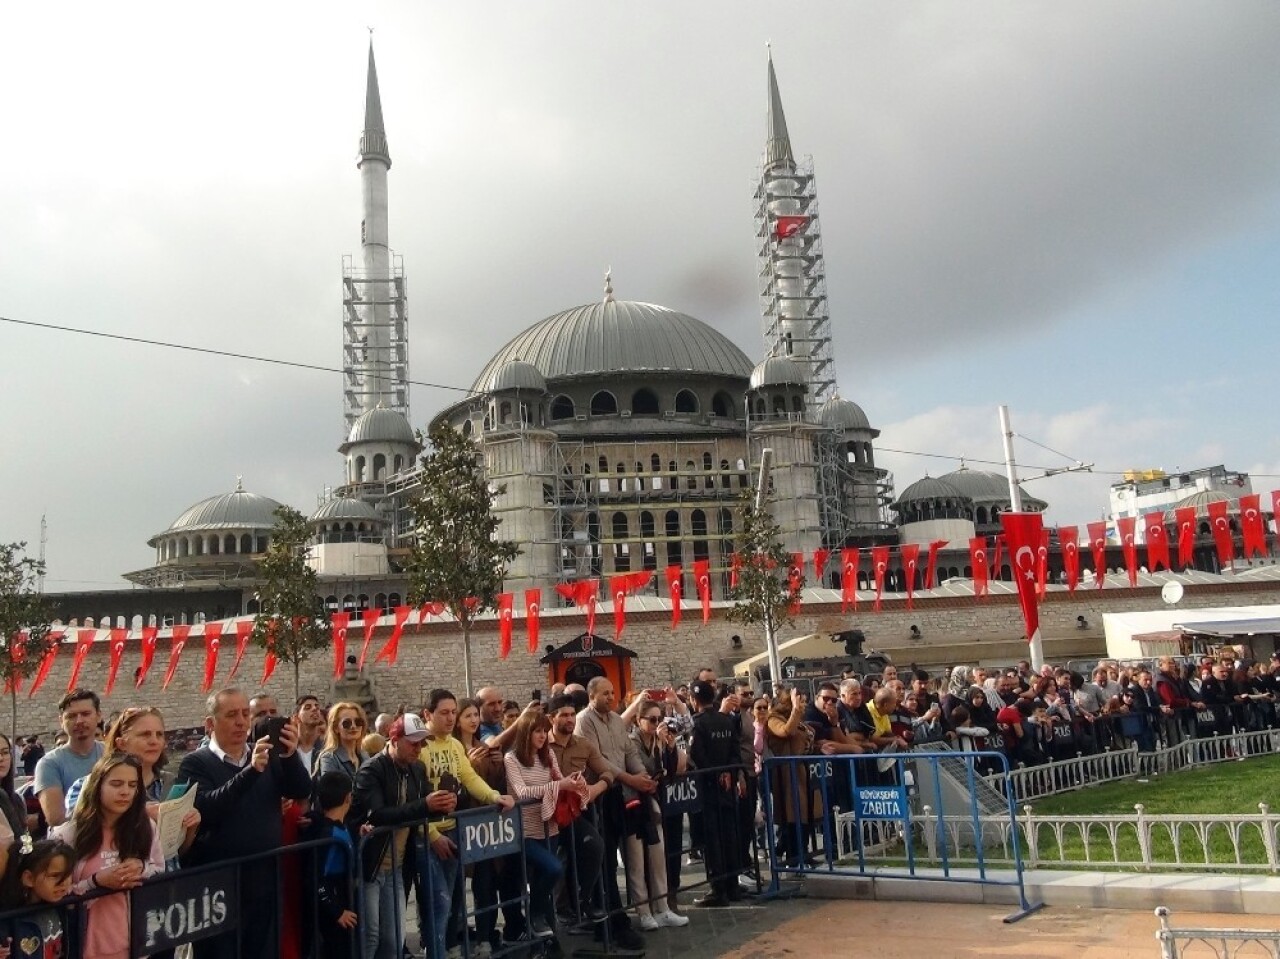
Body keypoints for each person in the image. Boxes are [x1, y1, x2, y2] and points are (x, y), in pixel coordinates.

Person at [178, 687, 312, 959]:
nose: (241, 722)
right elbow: (206, 808)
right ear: (210, 723)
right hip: (217, 887)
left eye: (244, 714)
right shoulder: (195, 763)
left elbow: (300, 788)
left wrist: (289, 755)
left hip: (264, 878)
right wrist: (250, 772)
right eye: (231, 715)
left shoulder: (265, 755)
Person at [419, 691, 515, 959]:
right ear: (428, 714)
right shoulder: (420, 747)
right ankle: (438, 950)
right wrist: (432, 834)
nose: (450, 718)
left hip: (453, 828)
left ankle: (449, 948)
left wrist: (495, 796)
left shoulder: (453, 746)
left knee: (451, 898)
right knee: (438, 901)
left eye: (453, 712)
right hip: (427, 834)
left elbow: (469, 777)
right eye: (444, 713)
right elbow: (413, 796)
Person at [351, 714, 447, 959]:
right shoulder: (371, 769)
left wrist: (447, 804)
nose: (419, 748)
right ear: (394, 740)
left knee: (394, 938)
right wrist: (426, 805)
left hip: (398, 865)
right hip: (370, 865)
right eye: (413, 743)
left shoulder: (417, 767)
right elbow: (378, 814)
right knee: (370, 937)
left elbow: (425, 807)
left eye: (422, 743)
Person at [51, 755, 164, 959]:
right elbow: (56, 893)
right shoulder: (67, 834)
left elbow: (159, 869)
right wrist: (96, 883)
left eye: (132, 785)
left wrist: (141, 867)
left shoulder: (146, 827)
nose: (125, 792)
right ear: (97, 785)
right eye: (116, 784)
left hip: (136, 943)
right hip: (83, 945)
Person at [574, 678, 652, 951]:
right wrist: (631, 779)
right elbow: (598, 759)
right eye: (605, 693)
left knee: (619, 853)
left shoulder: (617, 721)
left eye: (613, 692)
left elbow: (628, 751)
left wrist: (641, 773)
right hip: (600, 796)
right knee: (603, 859)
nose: (611, 696)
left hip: (622, 794)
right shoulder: (584, 721)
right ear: (591, 695)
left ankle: (613, 917)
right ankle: (608, 921)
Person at [65, 707, 200, 861]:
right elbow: (77, 839)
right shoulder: (87, 785)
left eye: (159, 734)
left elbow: (175, 853)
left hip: (165, 879)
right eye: (145, 734)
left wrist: (190, 827)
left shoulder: (172, 784)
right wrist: (140, 815)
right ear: (121, 743)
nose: (154, 741)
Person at [503, 712, 589, 944]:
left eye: (544, 731)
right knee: (553, 869)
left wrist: (572, 781)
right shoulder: (512, 758)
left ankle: (548, 938)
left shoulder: (548, 755)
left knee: (547, 879)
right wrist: (559, 784)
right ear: (526, 733)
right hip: (525, 831)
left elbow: (559, 781)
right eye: (538, 731)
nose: (543, 736)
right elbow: (521, 792)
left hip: (549, 827)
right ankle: (534, 915)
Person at [454, 697, 520, 955]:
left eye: (475, 715)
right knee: (456, 888)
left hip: (484, 827)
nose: (473, 720)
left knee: (486, 883)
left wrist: (497, 761)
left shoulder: (483, 745)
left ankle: (486, 935)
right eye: (467, 715)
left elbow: (496, 784)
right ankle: (453, 938)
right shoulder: (455, 748)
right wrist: (469, 763)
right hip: (462, 820)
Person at [545, 694, 608, 927]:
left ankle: (583, 899)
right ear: (552, 718)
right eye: (564, 715)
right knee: (557, 860)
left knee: (594, 846)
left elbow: (606, 772)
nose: (570, 719)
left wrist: (595, 789)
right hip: (546, 816)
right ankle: (558, 909)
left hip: (572, 813)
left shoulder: (584, 745)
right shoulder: (541, 745)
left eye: (572, 715)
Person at [624, 700, 687, 929]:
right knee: (637, 860)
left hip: (652, 805)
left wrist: (668, 747)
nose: (656, 724)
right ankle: (643, 911)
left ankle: (662, 907)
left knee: (658, 856)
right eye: (651, 720)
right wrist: (659, 750)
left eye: (659, 719)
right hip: (633, 804)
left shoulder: (656, 742)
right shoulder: (632, 742)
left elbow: (669, 773)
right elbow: (644, 770)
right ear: (638, 721)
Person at [689, 681, 741, 907]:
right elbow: (735, 752)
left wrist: (716, 773)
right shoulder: (726, 720)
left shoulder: (697, 724)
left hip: (708, 787)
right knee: (729, 834)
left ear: (693, 700)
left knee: (712, 839)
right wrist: (728, 773)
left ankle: (718, 888)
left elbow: (698, 756)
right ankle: (732, 885)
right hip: (727, 785)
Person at [305, 771, 359, 959]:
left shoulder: (341, 827)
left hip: (345, 900)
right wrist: (337, 911)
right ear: (348, 798)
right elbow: (316, 878)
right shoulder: (328, 835)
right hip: (333, 909)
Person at [33, 689, 105, 829]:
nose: (79, 721)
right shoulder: (49, 764)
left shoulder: (111, 754)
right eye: (71, 716)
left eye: (85, 714)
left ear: (98, 716)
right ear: (61, 721)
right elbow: (56, 819)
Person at [0, 838, 75, 959]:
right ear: (29, 878)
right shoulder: (9, 918)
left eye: (68, 875)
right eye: (55, 876)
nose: (64, 883)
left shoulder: (64, 906)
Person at [316, 702, 370, 783]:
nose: (353, 726)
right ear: (336, 728)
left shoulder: (365, 756)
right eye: (347, 723)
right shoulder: (329, 758)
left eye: (358, 722)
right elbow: (331, 791)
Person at [293, 695, 326, 774]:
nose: (314, 709)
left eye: (317, 707)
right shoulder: (290, 749)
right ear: (296, 717)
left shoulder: (326, 748)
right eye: (307, 708)